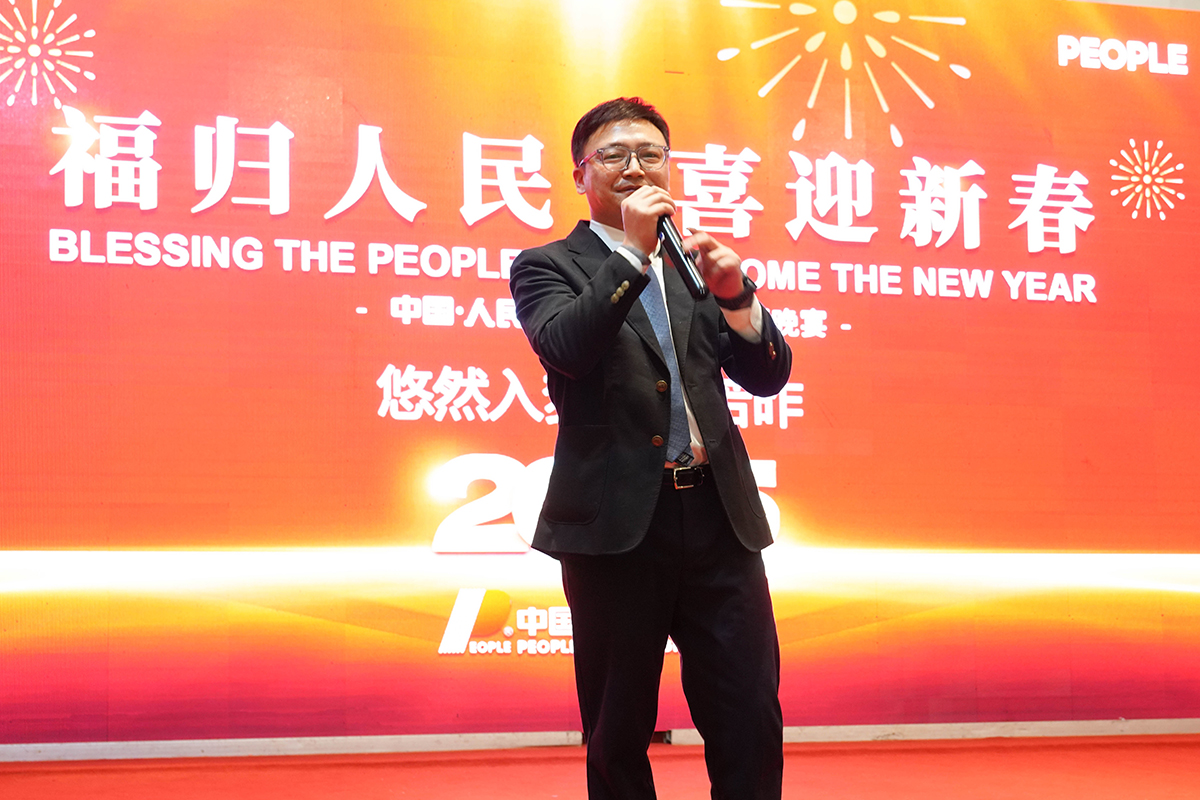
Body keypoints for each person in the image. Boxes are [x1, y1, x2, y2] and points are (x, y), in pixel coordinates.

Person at [509, 97, 791, 800]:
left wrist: (737, 297)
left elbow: (767, 376)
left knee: (749, 713)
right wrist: (634, 252)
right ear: (581, 173)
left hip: (720, 519)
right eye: (614, 155)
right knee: (618, 725)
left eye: (651, 154)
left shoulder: (694, 265)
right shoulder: (548, 264)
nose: (635, 167)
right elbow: (567, 348)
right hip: (617, 525)